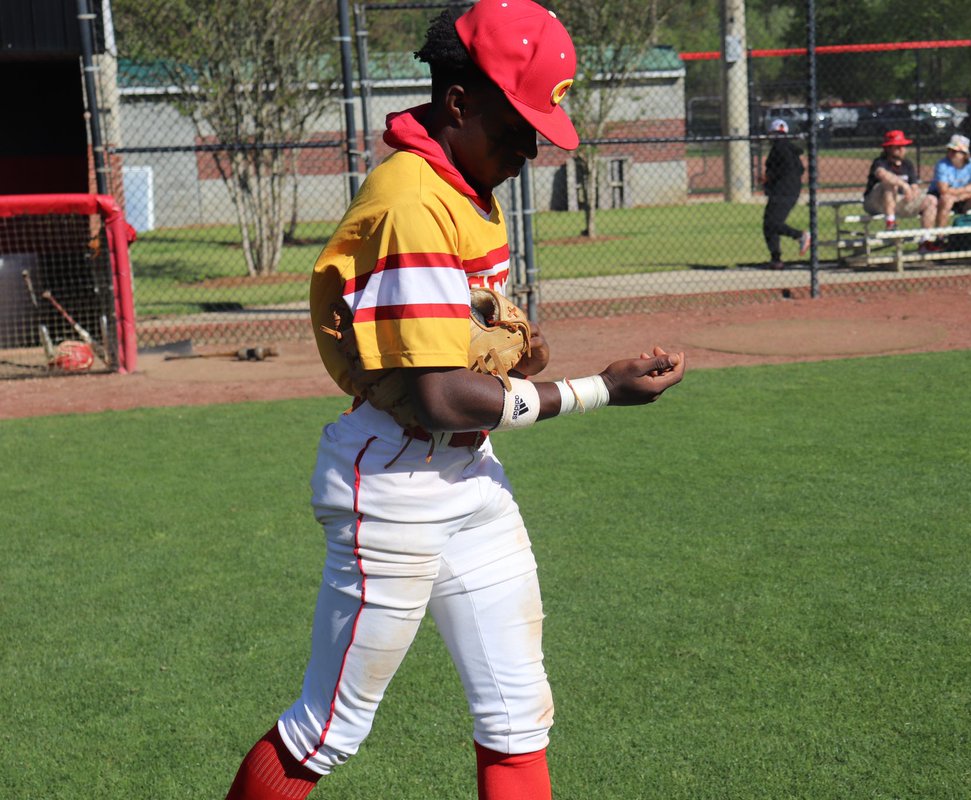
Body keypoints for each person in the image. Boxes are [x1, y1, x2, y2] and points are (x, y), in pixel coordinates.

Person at [222, 2, 686, 799]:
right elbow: (439, 397)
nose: (530, 146)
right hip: (395, 485)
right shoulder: (414, 199)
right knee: (328, 729)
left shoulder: (465, 180)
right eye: (518, 122)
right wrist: (598, 390)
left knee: (516, 714)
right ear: (461, 101)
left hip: (469, 478)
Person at [919, 133, 971, 253]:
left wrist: (959, 194)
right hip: (942, 198)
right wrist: (966, 190)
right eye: (949, 150)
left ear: (964, 154)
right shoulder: (942, 164)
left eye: (955, 151)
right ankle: (940, 237)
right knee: (947, 200)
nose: (950, 153)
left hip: (964, 198)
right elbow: (943, 190)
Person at [761, 117, 811, 269]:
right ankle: (776, 259)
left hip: (783, 190)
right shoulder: (789, 148)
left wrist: (769, 177)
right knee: (769, 224)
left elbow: (782, 170)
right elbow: (800, 169)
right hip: (790, 190)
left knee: (772, 223)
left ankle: (800, 235)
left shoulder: (779, 148)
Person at [862, 129, 935, 230]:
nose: (902, 149)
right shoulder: (880, 162)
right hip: (876, 202)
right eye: (898, 146)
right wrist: (904, 185)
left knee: (931, 200)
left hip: (900, 201)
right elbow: (882, 174)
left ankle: (926, 241)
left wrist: (914, 191)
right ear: (888, 148)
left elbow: (914, 185)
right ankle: (890, 223)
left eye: (903, 146)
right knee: (890, 184)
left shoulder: (908, 164)